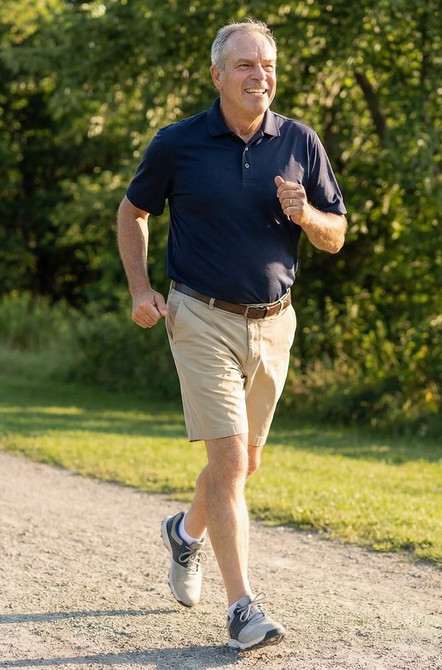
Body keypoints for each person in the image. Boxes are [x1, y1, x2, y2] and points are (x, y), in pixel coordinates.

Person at [116, 18, 347, 652]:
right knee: (226, 461)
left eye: (267, 65)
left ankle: (184, 535)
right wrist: (141, 291)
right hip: (199, 316)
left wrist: (308, 215)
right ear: (218, 75)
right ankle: (243, 606)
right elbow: (132, 212)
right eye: (245, 65)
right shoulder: (179, 144)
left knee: (243, 464)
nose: (260, 75)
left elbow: (336, 235)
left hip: (276, 323)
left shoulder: (300, 141)